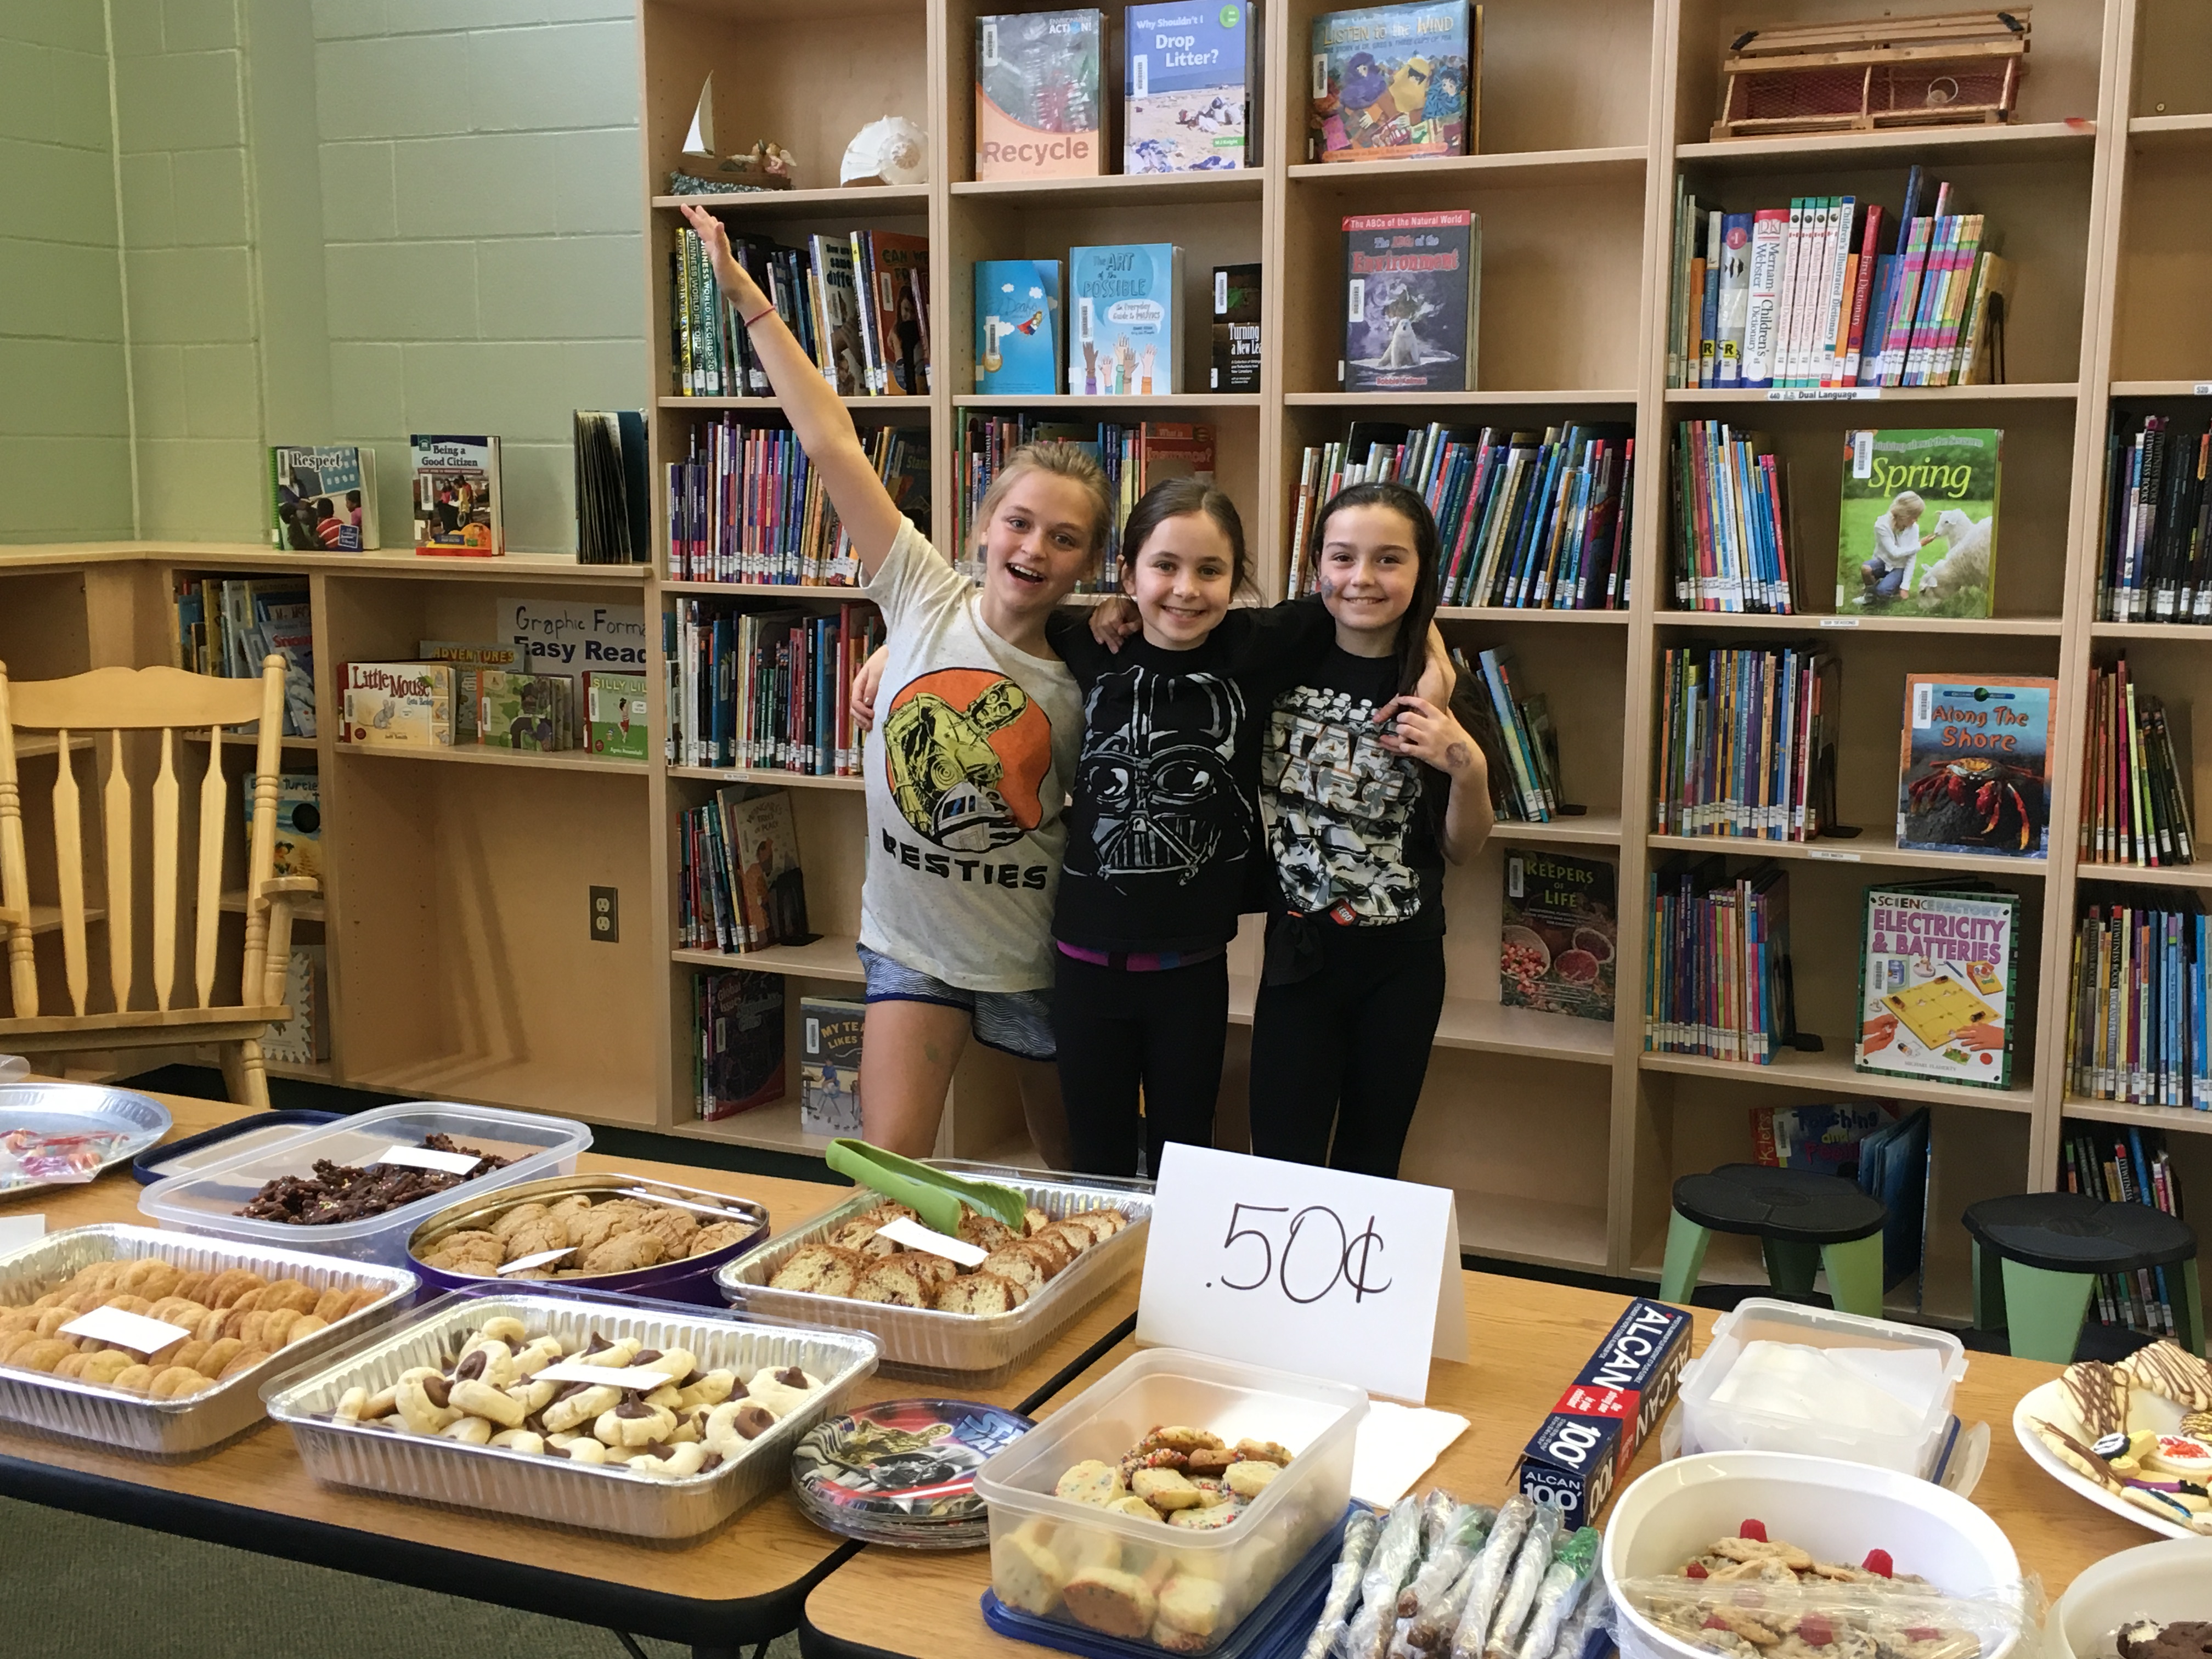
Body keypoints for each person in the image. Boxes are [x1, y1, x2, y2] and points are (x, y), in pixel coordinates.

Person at [680, 202, 1107, 1166]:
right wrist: (752, 305)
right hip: (910, 949)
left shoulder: (1093, 664)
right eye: (1020, 522)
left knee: (1084, 1175)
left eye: (1065, 537)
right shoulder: (920, 588)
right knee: (890, 1168)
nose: (1034, 547)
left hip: (1034, 958)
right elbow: (832, 444)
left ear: (1087, 563)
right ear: (985, 524)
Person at [1247, 481, 1497, 1178]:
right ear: (1317, 568)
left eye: (1390, 560)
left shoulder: (1439, 688)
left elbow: (1462, 848)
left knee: (1372, 1161)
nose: (1362, 578)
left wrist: (1466, 765)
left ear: (1422, 573)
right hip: (1298, 953)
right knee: (1280, 1157)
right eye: (1342, 557)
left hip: (1402, 965)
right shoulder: (1280, 655)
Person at [1858, 489, 1922, 602]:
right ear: (1904, 514)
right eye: (1914, 516)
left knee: (1883, 592)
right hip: (1883, 563)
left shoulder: (1914, 528)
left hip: (1899, 567)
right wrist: (1920, 544)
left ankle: (1892, 588)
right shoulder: (1882, 524)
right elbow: (1894, 552)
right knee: (1866, 569)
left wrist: (1905, 587)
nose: (1916, 520)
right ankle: (1870, 594)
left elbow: (1911, 559)